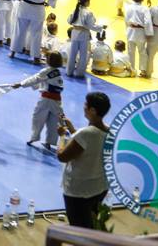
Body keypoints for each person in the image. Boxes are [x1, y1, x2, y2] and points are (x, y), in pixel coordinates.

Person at [57, 92, 111, 229]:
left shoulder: (86, 134)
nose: (83, 107)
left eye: (86, 105)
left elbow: (62, 156)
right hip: (99, 187)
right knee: (90, 224)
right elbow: (87, 145)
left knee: (80, 229)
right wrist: (72, 129)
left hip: (79, 191)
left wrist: (62, 136)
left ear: (92, 110)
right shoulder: (109, 131)